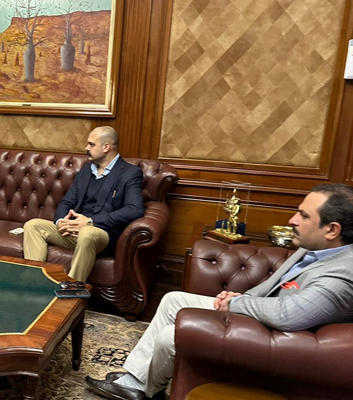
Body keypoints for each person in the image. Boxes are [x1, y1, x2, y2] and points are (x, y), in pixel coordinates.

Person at [85, 183, 353, 400]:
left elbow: (289, 315)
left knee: (171, 334)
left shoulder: (341, 274)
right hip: (263, 320)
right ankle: (134, 380)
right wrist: (240, 297)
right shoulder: (312, 248)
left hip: (280, 341)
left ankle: (145, 391)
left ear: (332, 230)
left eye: (304, 216)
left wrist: (236, 306)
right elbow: (270, 287)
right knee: (173, 300)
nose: (292, 220)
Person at [22, 126, 144, 282]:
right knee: (33, 225)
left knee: (87, 233)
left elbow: (134, 210)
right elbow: (67, 201)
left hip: (101, 232)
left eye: (91, 144)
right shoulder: (87, 170)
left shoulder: (129, 173)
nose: (87, 148)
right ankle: (36, 283)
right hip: (74, 230)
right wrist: (62, 222)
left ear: (106, 147)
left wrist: (90, 222)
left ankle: (72, 290)